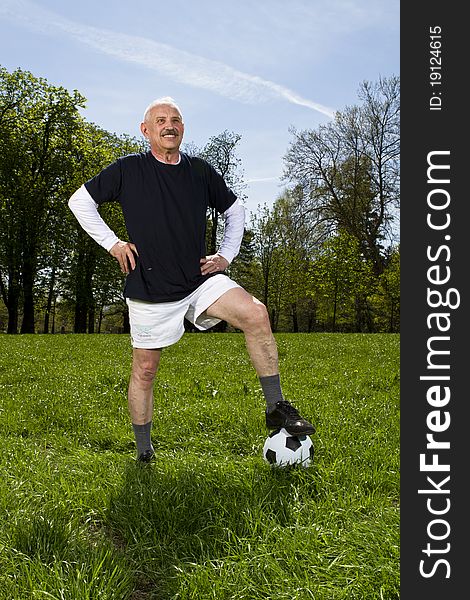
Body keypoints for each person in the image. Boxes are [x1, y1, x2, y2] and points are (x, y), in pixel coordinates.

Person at [68, 96, 315, 462]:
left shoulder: (200, 171)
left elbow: (235, 210)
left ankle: (276, 406)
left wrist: (225, 255)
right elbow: (80, 201)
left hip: (198, 281)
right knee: (146, 370)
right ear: (146, 129)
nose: (170, 125)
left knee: (256, 314)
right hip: (150, 289)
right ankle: (144, 451)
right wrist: (112, 243)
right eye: (161, 120)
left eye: (176, 120)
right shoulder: (128, 170)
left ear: (183, 128)